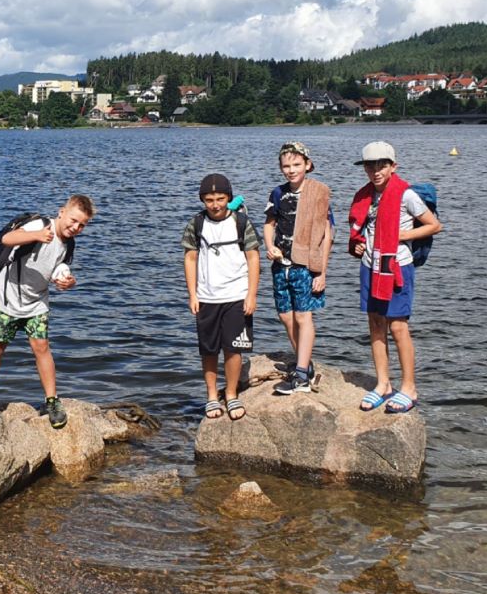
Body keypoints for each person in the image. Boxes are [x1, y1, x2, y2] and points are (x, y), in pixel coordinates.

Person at [0, 196, 93, 429]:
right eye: (73, 221)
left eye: (81, 225)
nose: (75, 228)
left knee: (42, 347)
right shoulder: (40, 225)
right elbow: (8, 238)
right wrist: (36, 235)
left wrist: (68, 282)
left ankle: (52, 401)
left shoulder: (69, 243)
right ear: (62, 212)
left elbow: (56, 267)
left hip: (37, 301)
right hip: (7, 297)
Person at [348, 141, 441, 415]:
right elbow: (360, 230)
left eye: (382, 165)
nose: (376, 171)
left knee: (398, 327)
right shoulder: (363, 196)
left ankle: (409, 387)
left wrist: (400, 236)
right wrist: (357, 245)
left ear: (393, 166)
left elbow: (434, 225)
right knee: (376, 324)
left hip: (398, 266)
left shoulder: (406, 194)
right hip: (370, 265)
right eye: (370, 166)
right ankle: (383, 384)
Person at [181, 172, 259, 420]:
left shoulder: (241, 222)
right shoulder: (196, 224)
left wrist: (251, 294)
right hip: (207, 297)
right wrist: (192, 294)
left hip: (236, 295)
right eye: (209, 199)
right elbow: (190, 258)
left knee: (234, 349)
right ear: (203, 200)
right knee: (209, 350)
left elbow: (253, 257)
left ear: (229, 198)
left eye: (220, 198)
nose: (215, 204)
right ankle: (212, 396)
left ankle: (232, 394)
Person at [262, 142, 333, 395]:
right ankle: (305, 363)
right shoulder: (277, 194)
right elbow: (270, 224)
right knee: (285, 315)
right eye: (286, 166)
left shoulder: (319, 193)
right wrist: (269, 246)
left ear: (307, 165)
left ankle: (301, 374)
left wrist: (321, 272)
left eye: (296, 165)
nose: (291, 170)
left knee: (304, 316)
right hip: (281, 264)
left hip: (306, 264)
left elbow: (327, 234)